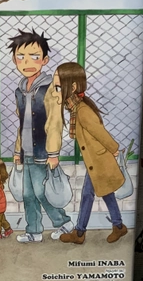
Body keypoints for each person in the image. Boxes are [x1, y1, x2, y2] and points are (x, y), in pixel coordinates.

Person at [52, 62, 128, 245]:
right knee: (101, 193)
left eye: (58, 87)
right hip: (94, 160)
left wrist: (114, 148)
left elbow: (100, 132)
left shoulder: (83, 111)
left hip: (99, 160)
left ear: (73, 87)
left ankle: (81, 232)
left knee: (91, 194)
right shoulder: (76, 109)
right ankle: (116, 226)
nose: (55, 92)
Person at [9, 29, 73, 243]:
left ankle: (64, 223)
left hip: (43, 151)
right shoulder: (20, 90)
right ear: (14, 60)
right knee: (28, 194)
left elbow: (55, 122)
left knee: (41, 192)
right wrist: (17, 151)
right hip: (25, 152)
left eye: (34, 56)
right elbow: (22, 124)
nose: (27, 62)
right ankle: (34, 231)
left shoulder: (50, 89)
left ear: (44, 60)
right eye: (21, 57)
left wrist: (53, 153)